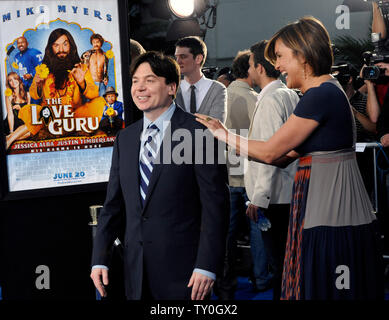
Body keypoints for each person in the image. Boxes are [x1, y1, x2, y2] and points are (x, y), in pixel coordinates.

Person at [196, 16, 383, 300]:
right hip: (330, 215)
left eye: (281, 57)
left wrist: (222, 134)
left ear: (304, 55)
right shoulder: (326, 92)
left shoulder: (320, 95)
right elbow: (281, 158)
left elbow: (272, 152)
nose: (278, 65)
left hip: (332, 219)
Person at [90, 51, 230, 300]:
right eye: (135, 81)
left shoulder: (198, 133)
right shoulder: (126, 138)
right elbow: (113, 205)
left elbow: (215, 206)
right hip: (135, 273)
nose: (140, 88)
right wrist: (99, 259)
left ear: (171, 87)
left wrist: (207, 264)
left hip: (186, 275)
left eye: (150, 80)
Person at [245, 40, 299, 300]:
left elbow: (269, 152)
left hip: (275, 197)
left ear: (260, 68)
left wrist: (259, 198)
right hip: (288, 193)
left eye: (250, 66)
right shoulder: (288, 93)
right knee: (287, 264)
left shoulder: (271, 99)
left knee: (279, 265)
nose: (249, 72)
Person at [6, 28, 105, 149]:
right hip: (48, 117)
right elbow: (34, 94)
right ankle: (9, 139)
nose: (61, 50)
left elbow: (94, 94)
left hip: (74, 117)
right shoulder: (43, 69)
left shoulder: (81, 67)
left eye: (65, 44)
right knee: (31, 111)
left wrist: (81, 82)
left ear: (71, 46)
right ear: (51, 48)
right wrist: (37, 84)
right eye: (56, 45)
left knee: (99, 102)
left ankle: (9, 138)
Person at [215, 50, 257, 300]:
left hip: (228, 173)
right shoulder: (256, 98)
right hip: (251, 171)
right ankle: (263, 279)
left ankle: (224, 282)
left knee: (225, 232)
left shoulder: (222, 96)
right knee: (258, 230)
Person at [174, 36, 227, 122]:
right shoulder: (172, 89)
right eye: (176, 57)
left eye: (183, 56)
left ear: (198, 59)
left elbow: (216, 128)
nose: (177, 61)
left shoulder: (218, 89)